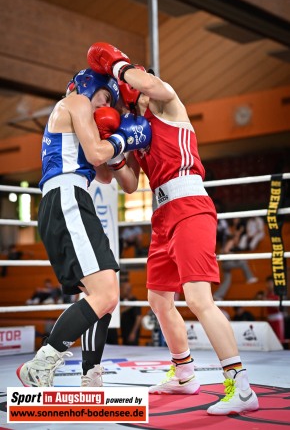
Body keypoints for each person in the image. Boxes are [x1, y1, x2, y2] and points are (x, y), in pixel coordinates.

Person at [87, 42, 259, 415]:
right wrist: (116, 151)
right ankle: (185, 375)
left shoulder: (168, 103)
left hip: (190, 205)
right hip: (162, 215)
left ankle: (240, 384)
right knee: (159, 301)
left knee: (198, 299)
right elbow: (131, 184)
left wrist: (117, 65)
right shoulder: (137, 131)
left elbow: (149, 86)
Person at [16, 68, 151, 388]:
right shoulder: (75, 102)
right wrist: (120, 138)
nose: (106, 108)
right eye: (105, 99)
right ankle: (41, 363)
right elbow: (94, 154)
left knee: (102, 295)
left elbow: (118, 181)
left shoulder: (87, 119)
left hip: (70, 200)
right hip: (66, 197)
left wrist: (123, 145)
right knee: (104, 293)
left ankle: (90, 373)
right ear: (88, 87)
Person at [213, 219, 258, 300]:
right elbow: (226, 251)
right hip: (227, 263)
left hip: (225, 264)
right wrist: (234, 256)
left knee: (227, 280)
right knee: (243, 263)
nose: (238, 239)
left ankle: (218, 295)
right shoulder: (230, 241)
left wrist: (239, 231)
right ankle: (249, 277)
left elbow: (236, 237)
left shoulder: (231, 241)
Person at [264, 275, 285, 342]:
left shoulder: (279, 293)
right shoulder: (266, 293)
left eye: (270, 283)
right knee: (270, 340)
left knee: (279, 339)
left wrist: (268, 301)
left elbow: (280, 307)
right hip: (269, 318)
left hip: (277, 319)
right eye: (267, 283)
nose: (269, 285)